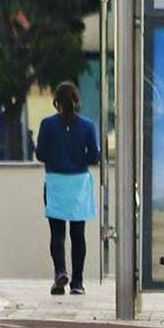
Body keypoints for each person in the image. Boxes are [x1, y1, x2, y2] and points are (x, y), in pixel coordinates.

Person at [35, 82, 100, 295]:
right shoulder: (88, 126)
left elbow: (40, 154)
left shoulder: (47, 124)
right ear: (77, 101)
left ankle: (60, 272)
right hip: (78, 182)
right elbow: (94, 156)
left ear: (56, 102)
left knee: (57, 232)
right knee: (78, 233)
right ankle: (78, 282)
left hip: (55, 181)